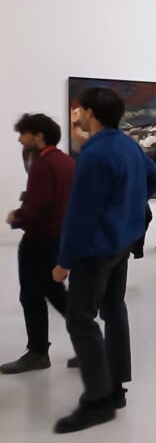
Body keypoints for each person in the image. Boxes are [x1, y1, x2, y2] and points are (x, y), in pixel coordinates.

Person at [52, 87, 156, 433]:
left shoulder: (95, 154)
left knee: (80, 319)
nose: (78, 115)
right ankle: (115, 387)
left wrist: (64, 262)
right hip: (122, 244)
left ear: (90, 114)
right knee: (114, 310)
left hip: (97, 251)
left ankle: (98, 400)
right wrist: (127, 207)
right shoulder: (128, 144)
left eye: (80, 110)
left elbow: (79, 216)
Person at [1, 114, 77, 374]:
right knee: (56, 292)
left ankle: (37, 352)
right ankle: (89, 343)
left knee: (32, 295)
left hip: (39, 239)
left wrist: (17, 215)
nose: (20, 139)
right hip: (59, 237)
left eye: (24, 134)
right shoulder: (66, 161)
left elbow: (38, 203)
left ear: (39, 135)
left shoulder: (43, 164)